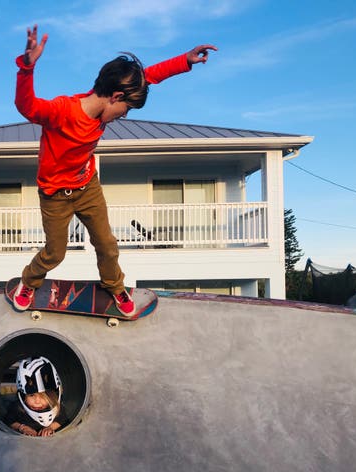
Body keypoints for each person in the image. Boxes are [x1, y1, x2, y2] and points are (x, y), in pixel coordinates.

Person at [12, 25, 217, 317]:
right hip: (55, 194)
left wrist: (185, 60)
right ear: (115, 96)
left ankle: (115, 287)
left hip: (87, 187)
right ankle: (30, 281)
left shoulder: (108, 105)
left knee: (107, 244)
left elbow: (149, 78)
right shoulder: (63, 111)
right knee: (54, 252)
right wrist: (27, 68)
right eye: (126, 109)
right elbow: (27, 107)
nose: (124, 116)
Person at [5, 356, 64, 437]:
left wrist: (50, 428)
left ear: (52, 396)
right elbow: (9, 421)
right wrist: (22, 427)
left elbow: (62, 419)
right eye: (31, 395)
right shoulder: (18, 407)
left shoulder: (55, 407)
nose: (37, 401)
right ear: (23, 396)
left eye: (43, 396)